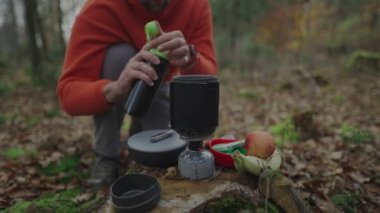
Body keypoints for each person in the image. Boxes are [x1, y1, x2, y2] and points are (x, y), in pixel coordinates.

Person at [57, 0, 217, 187]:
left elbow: (209, 77)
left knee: (167, 153)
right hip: (117, 79)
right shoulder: (100, 8)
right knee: (118, 55)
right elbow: (68, 95)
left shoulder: (195, 5)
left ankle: (139, 127)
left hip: (162, 82)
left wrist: (190, 58)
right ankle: (106, 156)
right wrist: (116, 88)